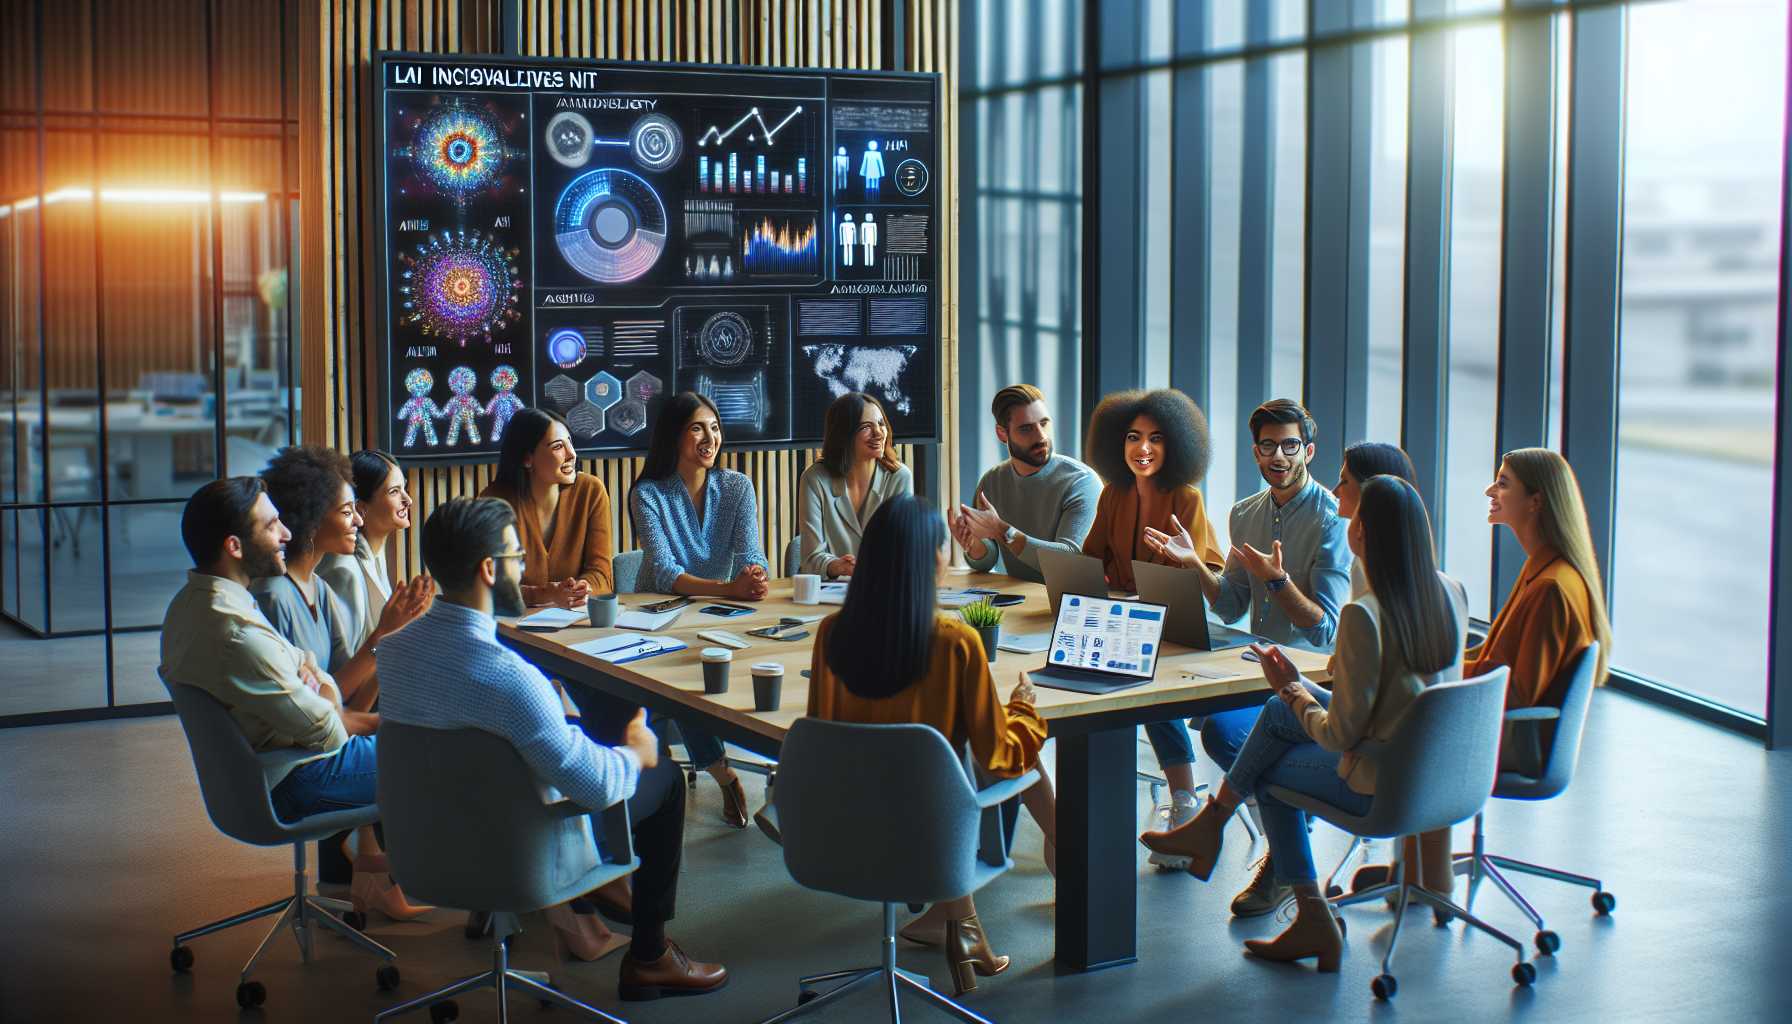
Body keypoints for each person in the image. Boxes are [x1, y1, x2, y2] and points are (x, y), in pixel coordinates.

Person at [377, 498, 728, 997]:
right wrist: (637, 752)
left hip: (423, 852)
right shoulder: (511, 679)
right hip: (517, 855)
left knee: (568, 732)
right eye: (517, 557)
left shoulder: (393, 652)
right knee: (666, 779)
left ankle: (602, 910)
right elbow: (596, 786)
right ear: (488, 569)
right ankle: (650, 958)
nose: (522, 569)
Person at [1140, 475, 1469, 973]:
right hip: (1442, 771)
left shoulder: (1367, 615)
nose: (1347, 523)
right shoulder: (1451, 591)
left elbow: (1339, 735)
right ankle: (1210, 827)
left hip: (1383, 781)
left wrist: (1297, 694)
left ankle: (1305, 910)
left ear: (1364, 535)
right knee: (1276, 709)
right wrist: (1293, 690)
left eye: (1354, 519)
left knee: (1271, 769)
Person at [807, 495, 1053, 996]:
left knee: (925, 775)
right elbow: (1000, 756)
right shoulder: (954, 641)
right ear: (933, 558)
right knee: (944, 778)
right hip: (931, 841)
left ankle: (965, 930)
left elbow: (821, 734)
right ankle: (963, 931)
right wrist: (1025, 708)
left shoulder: (832, 633)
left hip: (839, 831)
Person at [160, 477, 423, 921]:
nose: (286, 533)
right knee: (445, 751)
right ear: (234, 546)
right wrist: (320, 689)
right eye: (271, 525)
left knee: (422, 735)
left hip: (267, 768)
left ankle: (379, 871)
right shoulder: (237, 632)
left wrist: (316, 684)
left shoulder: (192, 605)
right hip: (295, 778)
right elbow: (327, 728)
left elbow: (313, 669)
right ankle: (494, 891)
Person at [1139, 398, 1352, 877]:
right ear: (1255, 452)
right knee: (1177, 697)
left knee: (1221, 730)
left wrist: (1278, 582)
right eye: (1267, 446)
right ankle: (1276, 842)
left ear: (1309, 451)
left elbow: (1326, 628)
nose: (1278, 457)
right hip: (1257, 665)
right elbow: (1232, 603)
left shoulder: (1331, 518)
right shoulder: (1243, 513)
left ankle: (1281, 853)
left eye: (1289, 446)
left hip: (1311, 674)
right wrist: (1195, 565)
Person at [1078, 389, 1226, 854]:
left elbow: (1209, 575)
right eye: (1133, 438)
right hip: (1127, 622)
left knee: (1136, 676)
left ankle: (1183, 796)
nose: (1143, 449)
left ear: (1176, 444)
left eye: (1156, 438)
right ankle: (1107, 798)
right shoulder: (1113, 494)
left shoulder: (1187, 498)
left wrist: (1169, 573)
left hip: (1176, 628)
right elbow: (1089, 558)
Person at [629, 392, 771, 828]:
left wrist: (755, 575)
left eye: (714, 427)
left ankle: (713, 769)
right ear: (674, 435)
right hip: (660, 615)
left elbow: (753, 552)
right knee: (684, 684)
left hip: (717, 613)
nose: (709, 437)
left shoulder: (737, 487)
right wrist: (731, 587)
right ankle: (722, 773)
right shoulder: (648, 492)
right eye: (697, 428)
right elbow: (668, 572)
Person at [951, 384, 1102, 585]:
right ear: (1002, 434)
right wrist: (973, 545)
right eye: (1026, 428)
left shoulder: (1082, 482)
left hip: (1070, 603)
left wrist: (1005, 532)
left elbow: (1069, 560)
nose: (1041, 436)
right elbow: (987, 560)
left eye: (1044, 423)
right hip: (1023, 601)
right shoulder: (991, 482)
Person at [480, 409, 615, 611]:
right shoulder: (494, 501)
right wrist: (546, 594)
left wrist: (582, 588)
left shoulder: (591, 491)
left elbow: (602, 574)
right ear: (527, 458)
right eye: (558, 446)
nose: (572, 454)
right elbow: (489, 584)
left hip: (577, 619)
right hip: (513, 624)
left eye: (570, 443)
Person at [797, 391, 913, 578]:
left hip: (886, 587)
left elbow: (903, 551)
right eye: (866, 427)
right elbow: (810, 559)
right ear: (844, 434)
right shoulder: (814, 479)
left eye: (881, 424)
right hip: (830, 594)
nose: (878, 433)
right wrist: (837, 566)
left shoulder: (899, 477)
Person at [319, 449, 425, 650]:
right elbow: (343, 662)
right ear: (360, 508)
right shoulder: (344, 571)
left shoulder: (374, 557)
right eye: (394, 491)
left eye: (404, 488)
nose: (408, 500)